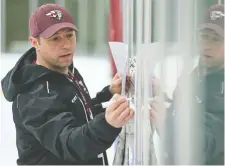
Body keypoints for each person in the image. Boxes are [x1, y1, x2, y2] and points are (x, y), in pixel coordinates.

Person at [1, 3, 134, 165]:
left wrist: (110, 93)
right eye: (55, 38)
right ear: (35, 42)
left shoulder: (65, 69)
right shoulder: (34, 94)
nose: (65, 45)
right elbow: (70, 144)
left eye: (69, 35)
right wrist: (107, 124)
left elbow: (80, 115)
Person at [150, 4, 224, 165]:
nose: (207, 45)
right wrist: (161, 96)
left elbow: (202, 147)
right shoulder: (198, 72)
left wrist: (166, 121)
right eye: (204, 36)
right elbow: (186, 114)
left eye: (216, 39)